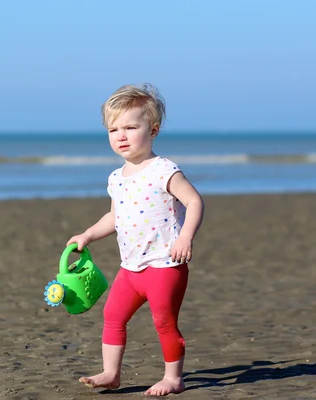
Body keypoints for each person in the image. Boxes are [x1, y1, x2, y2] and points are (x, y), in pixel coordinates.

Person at [67, 83, 204, 396]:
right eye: (114, 129)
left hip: (165, 263)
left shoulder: (163, 170)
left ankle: (174, 378)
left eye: (131, 127)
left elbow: (195, 202)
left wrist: (185, 236)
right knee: (112, 316)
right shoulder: (117, 178)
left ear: (152, 129)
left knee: (164, 322)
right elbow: (114, 218)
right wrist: (87, 235)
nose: (122, 136)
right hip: (131, 267)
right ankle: (111, 373)